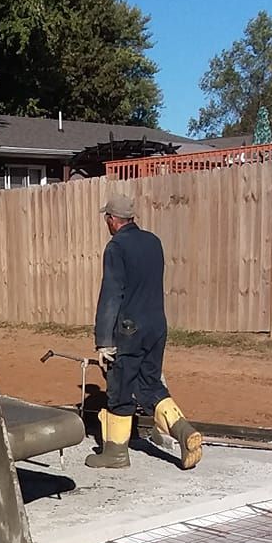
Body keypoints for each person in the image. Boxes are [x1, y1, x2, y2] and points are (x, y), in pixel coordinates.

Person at [87, 193, 202, 472]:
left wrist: (104, 341)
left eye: (107, 218)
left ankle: (115, 453)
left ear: (113, 220)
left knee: (120, 388)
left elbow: (112, 294)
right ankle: (183, 430)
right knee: (149, 385)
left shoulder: (116, 247)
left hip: (130, 329)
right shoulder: (153, 242)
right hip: (157, 326)